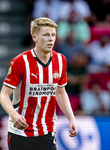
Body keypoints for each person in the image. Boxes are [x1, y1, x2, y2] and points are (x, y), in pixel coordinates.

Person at [0, 17, 78, 150]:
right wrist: (14, 115)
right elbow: (4, 95)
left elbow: (60, 92)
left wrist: (71, 118)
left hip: (47, 131)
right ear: (34, 37)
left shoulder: (61, 60)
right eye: (46, 35)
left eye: (53, 35)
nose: (51, 39)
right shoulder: (20, 62)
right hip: (20, 133)